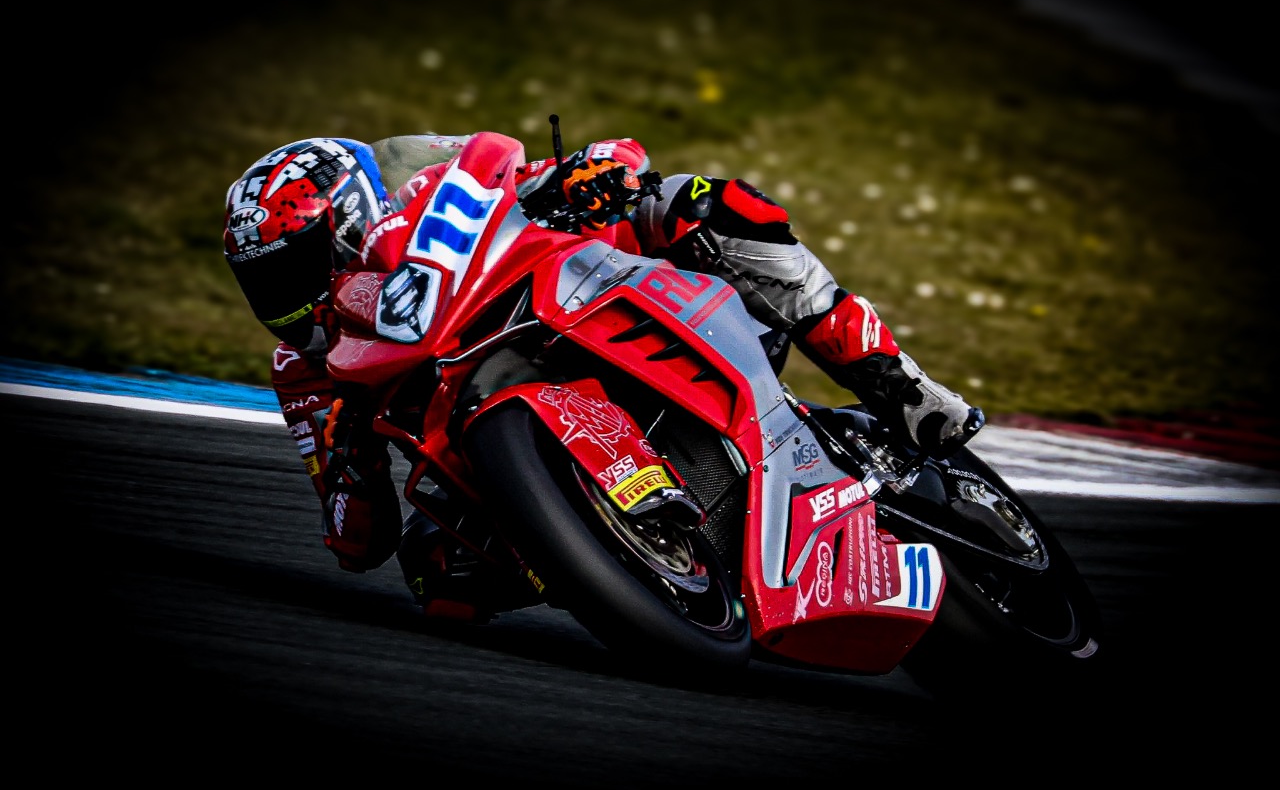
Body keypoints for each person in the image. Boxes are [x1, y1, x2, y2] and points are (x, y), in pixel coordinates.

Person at [222, 131, 984, 618]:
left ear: (351, 217)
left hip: (589, 297)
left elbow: (598, 159)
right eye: (268, 287)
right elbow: (358, 539)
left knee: (699, 203)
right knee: (439, 578)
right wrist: (343, 448)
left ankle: (901, 386)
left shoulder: (425, 195)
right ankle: (610, 558)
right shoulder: (305, 372)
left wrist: (589, 173)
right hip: (485, 437)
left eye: (297, 269)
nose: (291, 303)